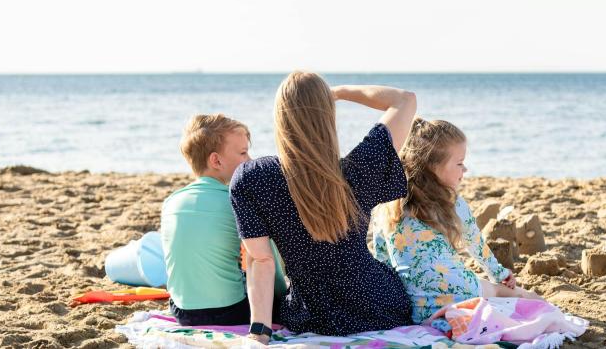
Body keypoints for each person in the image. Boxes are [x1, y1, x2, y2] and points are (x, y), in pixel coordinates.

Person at [229, 71, 417, 343]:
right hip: (379, 305)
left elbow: (261, 260)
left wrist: (260, 331)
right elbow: (404, 100)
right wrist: (338, 92)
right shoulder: (359, 168)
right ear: (328, 115)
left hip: (311, 316)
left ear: (281, 119)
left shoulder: (253, 178)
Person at [372, 118, 541, 325]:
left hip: (418, 305)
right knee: (503, 291)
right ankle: (543, 306)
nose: (465, 170)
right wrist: (501, 274)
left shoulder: (388, 205)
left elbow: (382, 256)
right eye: (460, 163)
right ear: (432, 167)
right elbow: (476, 246)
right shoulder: (453, 204)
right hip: (461, 287)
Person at [160, 114, 286, 326]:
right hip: (230, 312)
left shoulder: (171, 202)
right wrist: (283, 297)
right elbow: (268, 263)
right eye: (243, 153)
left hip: (182, 311)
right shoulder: (238, 201)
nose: (250, 160)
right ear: (216, 160)